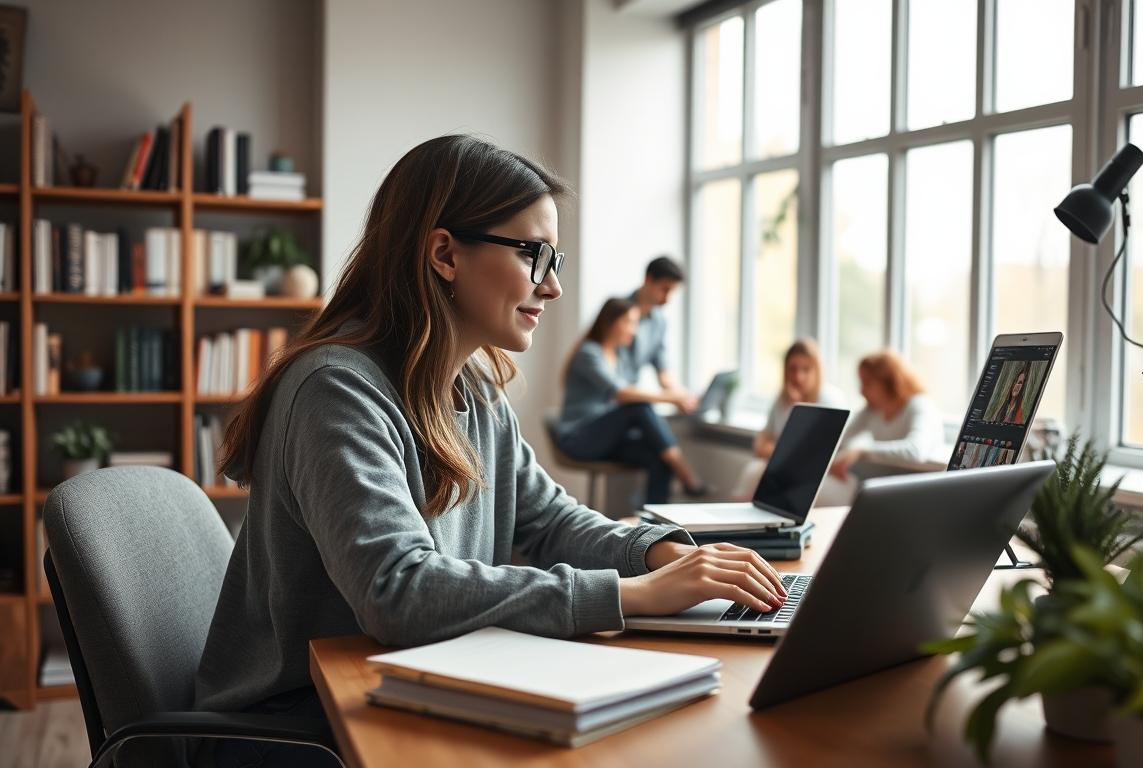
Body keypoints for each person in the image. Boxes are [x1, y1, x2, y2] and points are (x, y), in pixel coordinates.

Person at [194, 135, 786, 767]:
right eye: (535, 255)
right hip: (300, 725)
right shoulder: (336, 389)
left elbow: (551, 520)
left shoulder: (474, 386)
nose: (553, 286)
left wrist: (660, 554)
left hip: (409, 681)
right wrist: (632, 594)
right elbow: (398, 590)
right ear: (445, 253)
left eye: (555, 259)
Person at [553, 297, 707, 504]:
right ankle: (685, 471)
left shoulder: (619, 356)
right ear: (610, 322)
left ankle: (655, 527)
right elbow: (622, 394)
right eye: (629, 323)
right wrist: (672, 398)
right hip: (579, 438)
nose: (634, 331)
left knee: (659, 458)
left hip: (606, 438)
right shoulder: (589, 353)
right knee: (637, 407)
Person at [732, 338, 846, 499]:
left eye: (806, 369)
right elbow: (760, 445)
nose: (798, 377)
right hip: (781, 468)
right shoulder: (782, 400)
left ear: (817, 370)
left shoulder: (830, 400)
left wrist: (780, 452)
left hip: (810, 474)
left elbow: (813, 455)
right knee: (752, 471)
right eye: (793, 369)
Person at [828, 348, 944, 483]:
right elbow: (840, 439)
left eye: (868, 383)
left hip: (922, 483)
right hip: (887, 481)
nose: (862, 391)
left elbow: (915, 451)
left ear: (889, 382)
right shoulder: (872, 410)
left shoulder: (919, 405)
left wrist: (861, 450)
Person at [619, 256, 696, 411]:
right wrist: (671, 398)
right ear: (648, 280)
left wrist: (684, 396)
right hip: (613, 400)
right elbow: (616, 385)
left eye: (672, 292)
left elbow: (663, 372)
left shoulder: (659, 322)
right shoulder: (617, 314)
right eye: (665, 289)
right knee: (643, 409)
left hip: (629, 401)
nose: (667, 299)